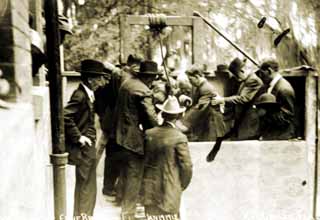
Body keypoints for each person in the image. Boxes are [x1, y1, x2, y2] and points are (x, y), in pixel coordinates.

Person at [110, 60, 160, 216]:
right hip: (132, 141)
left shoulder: (127, 83)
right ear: (150, 78)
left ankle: (123, 206)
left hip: (118, 137)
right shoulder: (144, 90)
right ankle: (128, 213)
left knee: (125, 173)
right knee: (134, 176)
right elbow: (151, 119)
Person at [64, 59, 108, 218]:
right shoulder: (80, 95)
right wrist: (79, 137)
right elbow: (65, 117)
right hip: (83, 149)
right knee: (85, 186)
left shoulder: (88, 94)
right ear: (90, 79)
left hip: (87, 150)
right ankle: (82, 216)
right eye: (98, 78)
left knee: (88, 185)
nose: (101, 82)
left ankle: (84, 215)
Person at [142, 95, 193, 216]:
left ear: (163, 115)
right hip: (169, 189)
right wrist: (180, 185)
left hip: (149, 188)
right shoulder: (179, 137)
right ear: (178, 116)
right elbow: (187, 167)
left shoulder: (149, 134)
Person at [212, 57, 263, 140]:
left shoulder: (252, 80)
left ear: (242, 71)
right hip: (244, 120)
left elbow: (243, 98)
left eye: (237, 75)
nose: (237, 79)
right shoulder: (247, 80)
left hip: (249, 121)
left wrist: (222, 100)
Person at [183, 64, 226, 141]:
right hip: (207, 122)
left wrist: (183, 122)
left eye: (190, 79)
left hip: (212, 125)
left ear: (196, 77)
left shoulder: (205, 88)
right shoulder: (201, 86)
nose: (190, 82)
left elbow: (199, 108)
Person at [256, 59, 296, 139]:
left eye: (262, 73)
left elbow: (287, 118)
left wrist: (265, 113)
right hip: (273, 135)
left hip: (282, 136)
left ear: (269, 71)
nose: (260, 76)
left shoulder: (284, 89)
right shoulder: (271, 86)